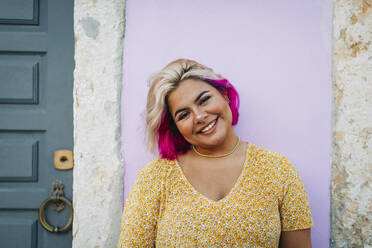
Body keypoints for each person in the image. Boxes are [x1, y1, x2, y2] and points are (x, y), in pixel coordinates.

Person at [117, 59, 314, 247]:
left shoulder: (278, 170)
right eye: (184, 114)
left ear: (224, 95)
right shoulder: (154, 178)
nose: (200, 116)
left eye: (204, 100)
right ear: (176, 128)